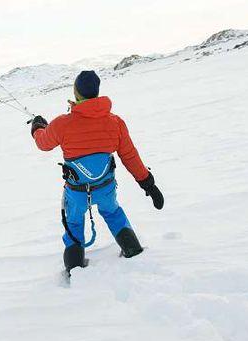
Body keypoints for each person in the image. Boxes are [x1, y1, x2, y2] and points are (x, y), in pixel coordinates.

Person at [30, 70, 164, 274]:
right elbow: (130, 156)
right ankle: (132, 250)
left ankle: (74, 269)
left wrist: (38, 127)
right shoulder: (115, 122)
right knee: (113, 212)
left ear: (76, 94)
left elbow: (43, 143)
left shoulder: (61, 124)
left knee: (74, 222)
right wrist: (148, 184)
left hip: (76, 192)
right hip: (105, 188)